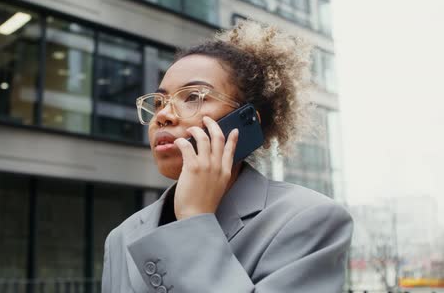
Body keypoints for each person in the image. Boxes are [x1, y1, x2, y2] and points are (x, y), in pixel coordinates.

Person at [101, 21, 353, 293]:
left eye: (193, 96)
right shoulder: (121, 237)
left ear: (245, 123)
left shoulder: (310, 219)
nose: (162, 115)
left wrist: (193, 220)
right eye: (160, 102)